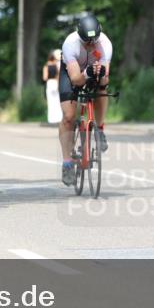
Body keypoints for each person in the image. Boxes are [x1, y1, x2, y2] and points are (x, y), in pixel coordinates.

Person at [58, 14, 113, 185]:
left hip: (92, 71)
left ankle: (100, 128)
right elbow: (75, 79)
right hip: (72, 73)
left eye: (93, 41)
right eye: (86, 42)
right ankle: (67, 163)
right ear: (79, 37)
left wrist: (101, 73)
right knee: (68, 117)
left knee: (102, 89)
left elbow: (105, 80)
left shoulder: (105, 44)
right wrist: (87, 73)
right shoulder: (70, 44)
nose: (90, 45)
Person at [43, 49, 61, 124]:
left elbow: (45, 77)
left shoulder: (46, 66)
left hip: (50, 83)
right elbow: (58, 75)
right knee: (57, 101)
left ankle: (51, 119)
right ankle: (59, 118)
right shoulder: (56, 65)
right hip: (55, 83)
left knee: (50, 101)